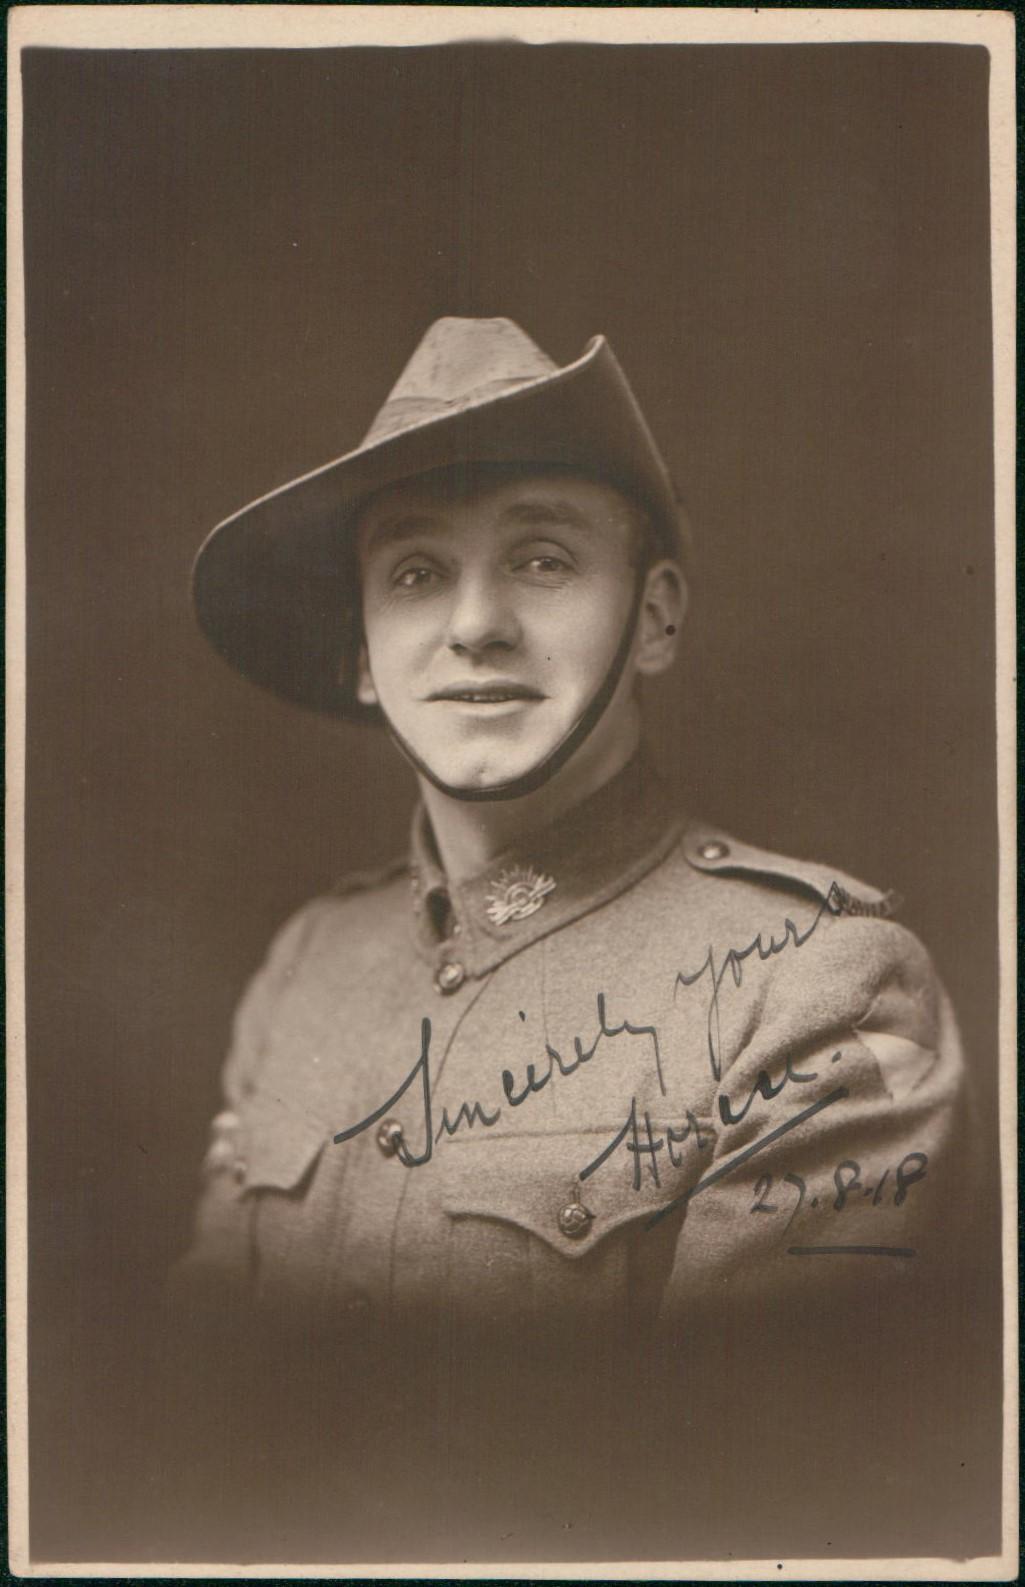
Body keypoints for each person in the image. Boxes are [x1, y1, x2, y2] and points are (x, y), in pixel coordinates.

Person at [172, 317, 977, 1563]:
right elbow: (199, 1428)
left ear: (654, 617)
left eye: (543, 561)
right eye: (414, 572)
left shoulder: (821, 988)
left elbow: (738, 1505)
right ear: (362, 657)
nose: (476, 624)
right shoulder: (307, 966)